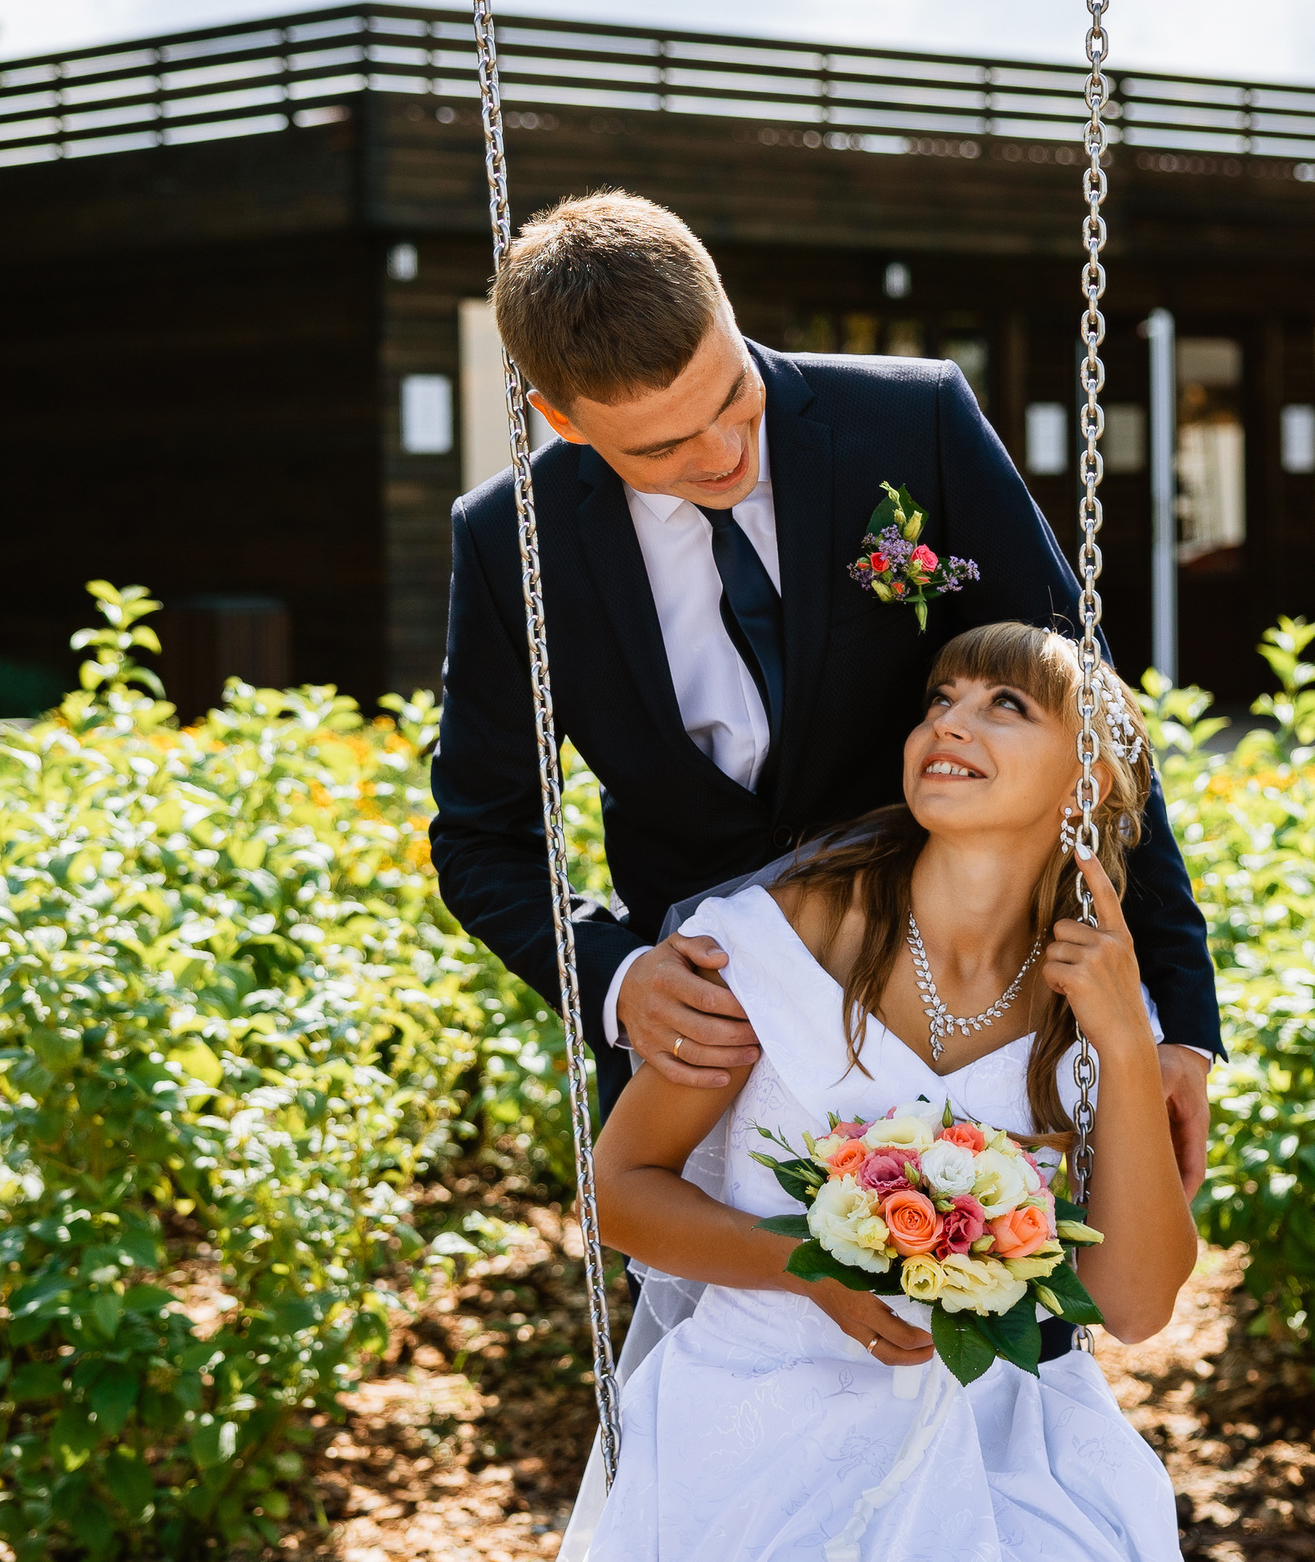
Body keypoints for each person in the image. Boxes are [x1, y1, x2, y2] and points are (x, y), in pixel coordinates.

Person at [428, 190, 1225, 1197]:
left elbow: (1087, 723)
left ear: (725, 309)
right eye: (660, 450)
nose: (718, 457)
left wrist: (1180, 1019)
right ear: (561, 421)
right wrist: (618, 977)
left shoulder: (913, 421)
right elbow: (480, 832)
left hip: (968, 1004)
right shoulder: (511, 540)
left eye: (731, 401)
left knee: (998, 1300)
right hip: (714, 1056)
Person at [560, 622, 1199, 1562]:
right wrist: (808, 1269)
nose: (950, 720)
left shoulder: (1099, 996)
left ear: (1095, 780)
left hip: (993, 1422)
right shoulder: (774, 942)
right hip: (762, 1400)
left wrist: (1123, 1043)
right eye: (940, 697)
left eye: (1006, 704)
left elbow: (1134, 1303)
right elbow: (617, 1193)